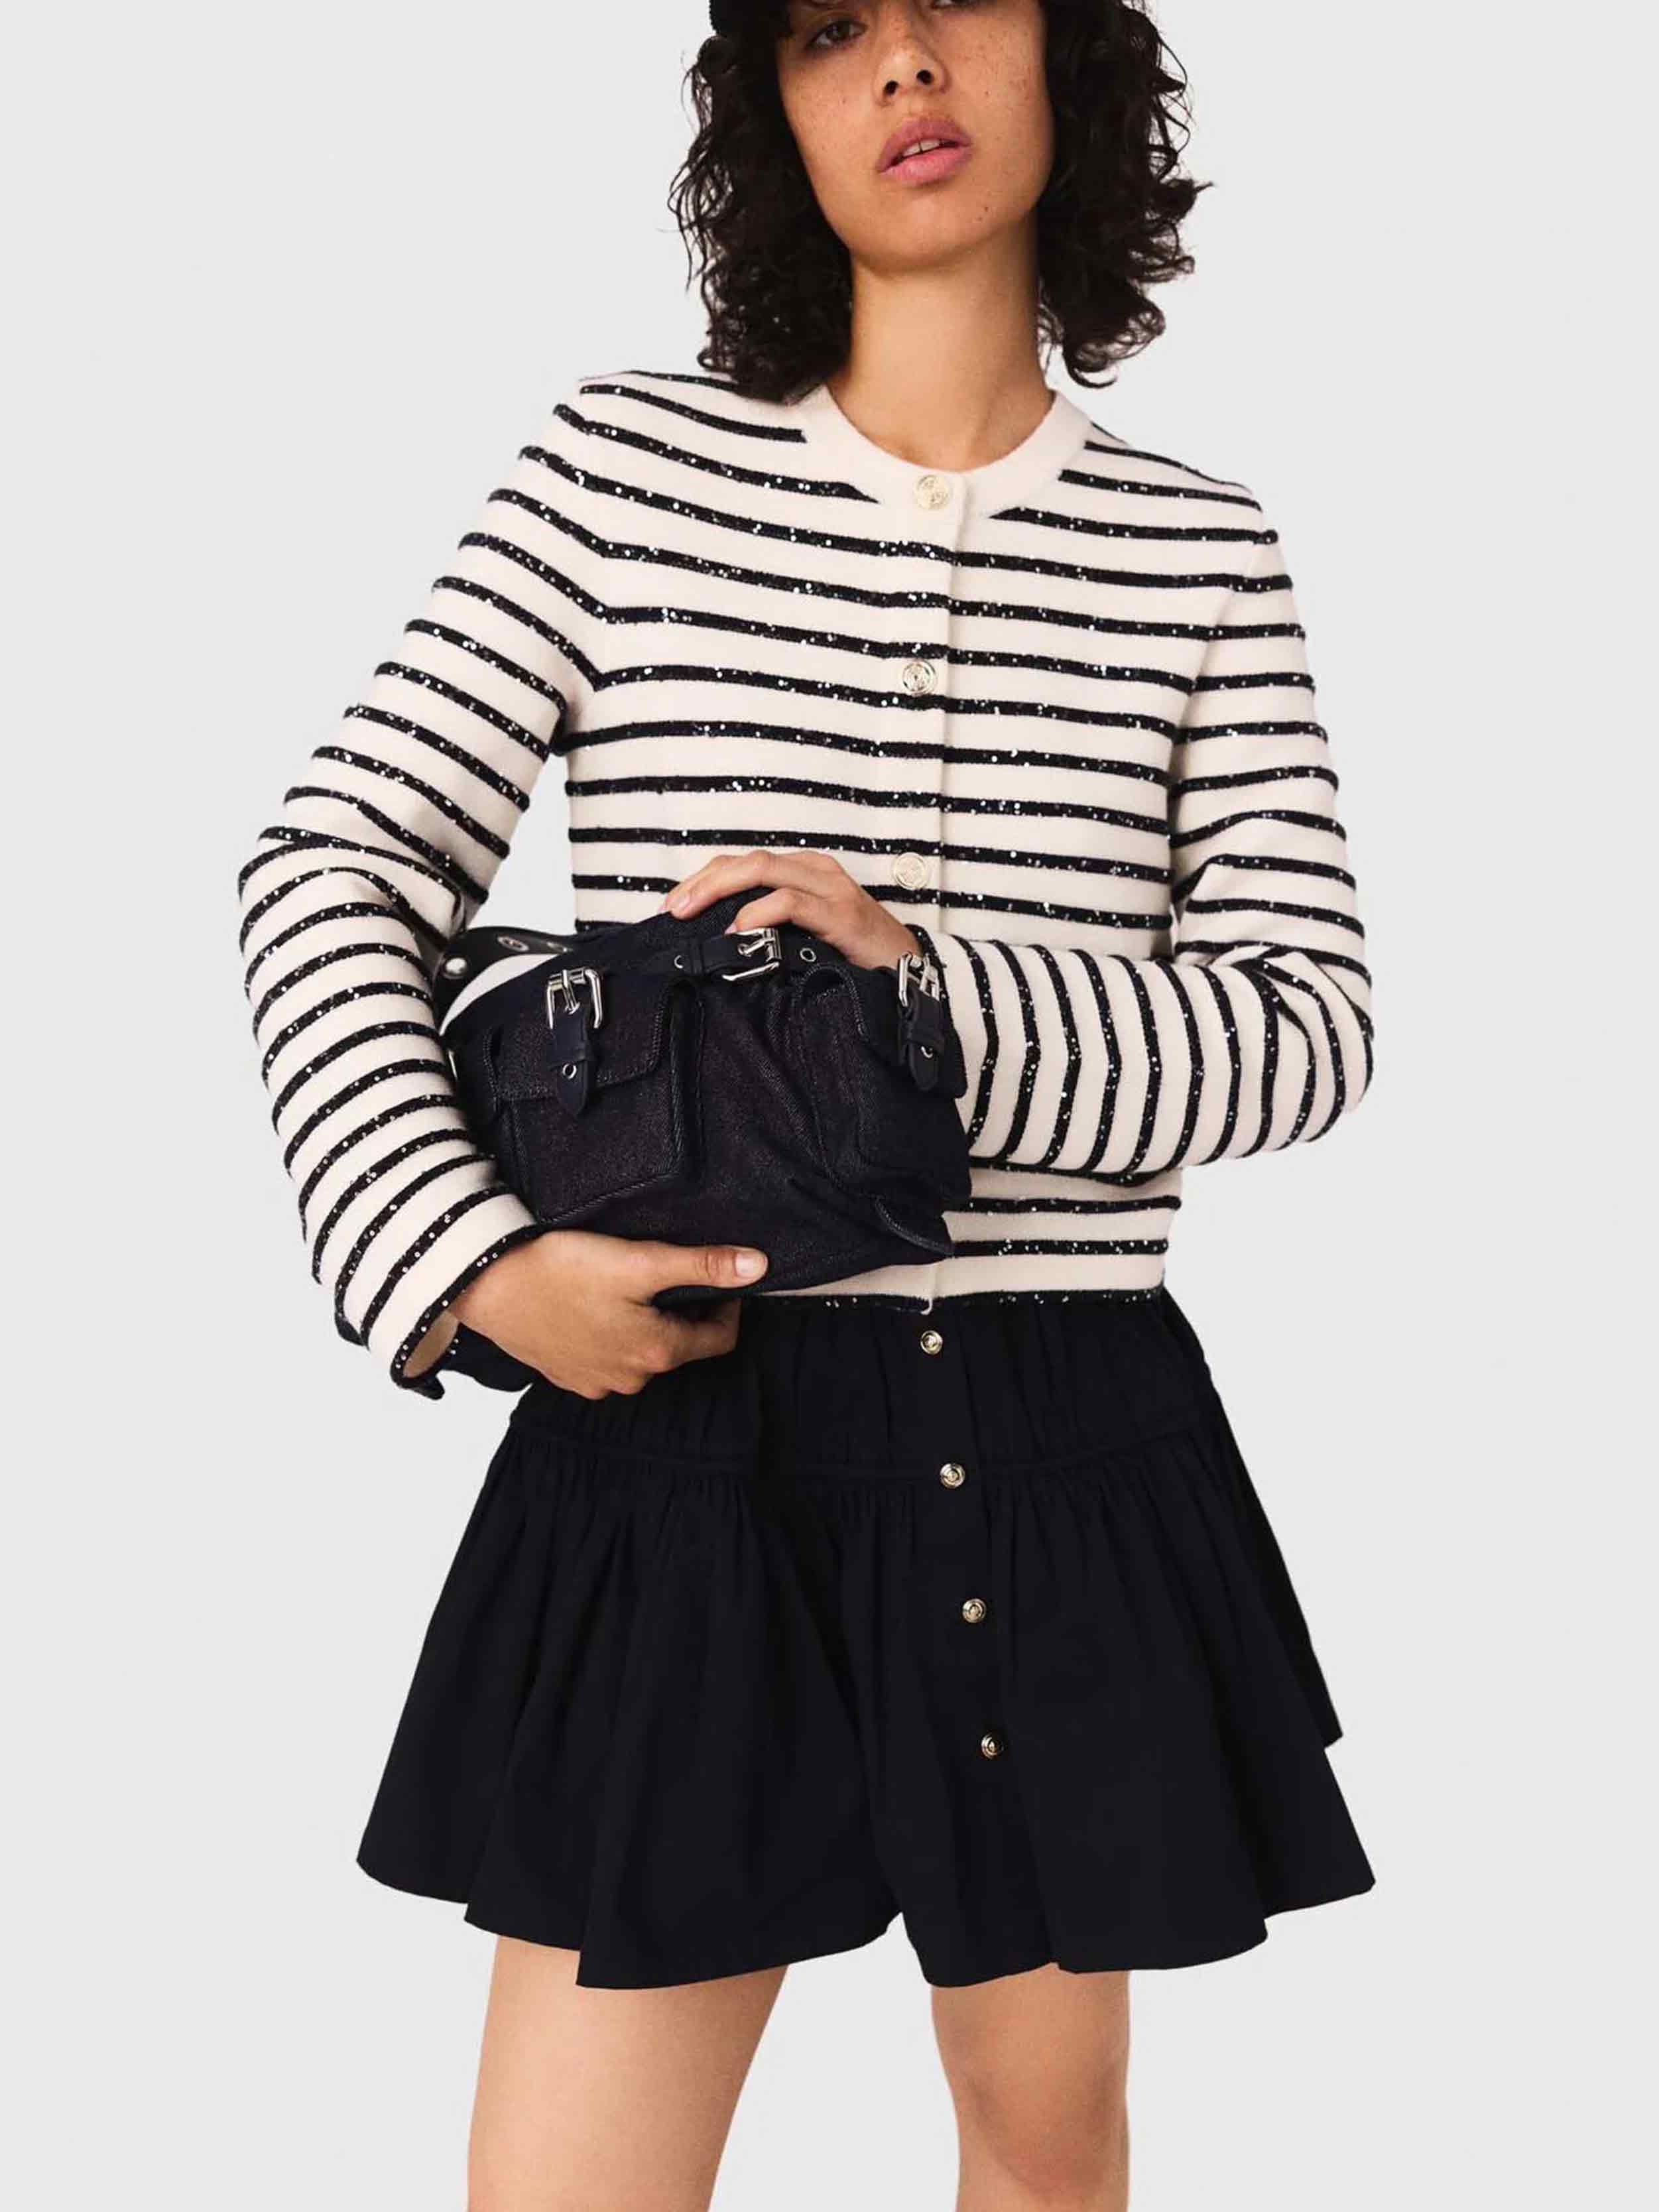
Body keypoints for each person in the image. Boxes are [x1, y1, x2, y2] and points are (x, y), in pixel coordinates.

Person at [232, 3, 1378, 2205]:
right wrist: (465, 1262)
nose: (904, 67)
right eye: (833, 29)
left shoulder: (1200, 549)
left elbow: (1307, 1028)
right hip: (689, 1435)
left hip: (1064, 1434)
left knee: (1044, 2160)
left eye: (957, 4)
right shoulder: (620, 471)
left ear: (1071, 62)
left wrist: (921, 993)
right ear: (773, 111)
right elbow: (333, 865)